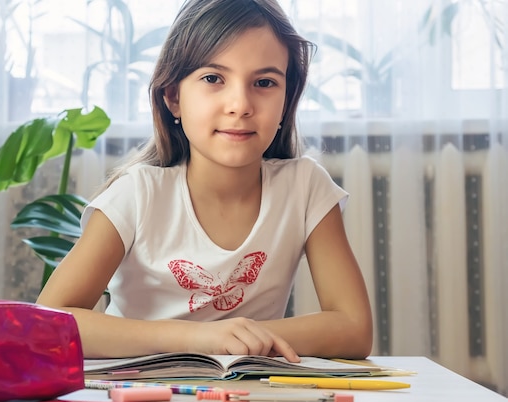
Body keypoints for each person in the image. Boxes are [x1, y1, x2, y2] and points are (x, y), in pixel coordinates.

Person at [37, 0, 373, 361]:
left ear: (287, 100)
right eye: (213, 78)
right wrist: (196, 338)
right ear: (173, 97)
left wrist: (232, 338)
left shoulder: (305, 187)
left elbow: (354, 328)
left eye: (264, 82)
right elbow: (49, 325)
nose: (240, 104)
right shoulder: (137, 194)